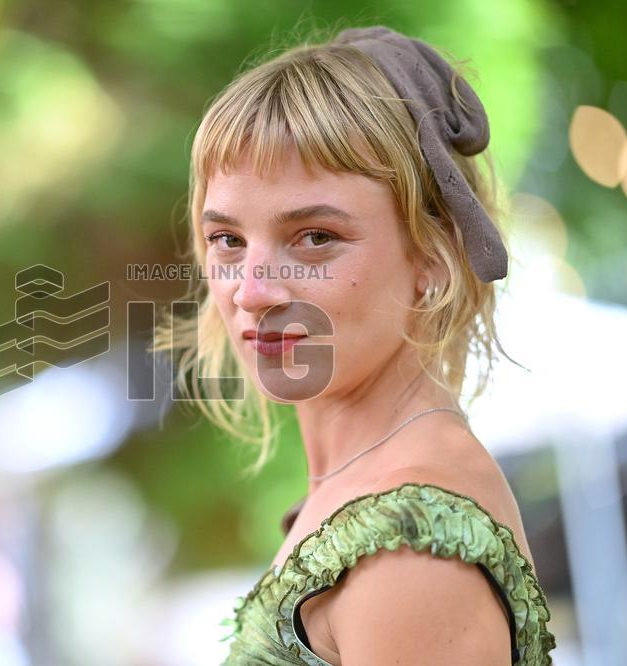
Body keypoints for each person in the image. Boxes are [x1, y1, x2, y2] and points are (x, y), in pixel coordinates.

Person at [153, 25, 557, 664]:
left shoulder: (408, 550)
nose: (251, 292)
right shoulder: (368, 495)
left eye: (315, 237)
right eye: (228, 240)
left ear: (433, 255)